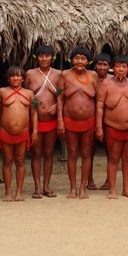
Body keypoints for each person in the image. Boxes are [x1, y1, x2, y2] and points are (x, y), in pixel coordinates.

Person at [95, 56, 128, 198]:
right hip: (113, 128)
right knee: (113, 159)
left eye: (124, 66)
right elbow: (100, 106)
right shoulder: (105, 84)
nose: (121, 69)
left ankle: (126, 189)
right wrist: (99, 127)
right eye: (118, 66)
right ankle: (112, 190)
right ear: (113, 68)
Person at [57, 46, 98, 199]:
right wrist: (60, 120)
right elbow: (60, 98)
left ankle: (83, 188)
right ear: (71, 59)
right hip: (69, 119)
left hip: (88, 120)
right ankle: (73, 188)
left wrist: (98, 123)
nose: (79, 61)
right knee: (72, 153)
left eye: (83, 58)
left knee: (86, 153)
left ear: (88, 61)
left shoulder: (93, 75)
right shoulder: (64, 75)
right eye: (76, 58)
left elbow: (98, 99)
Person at [25, 44, 62, 199]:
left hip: (51, 120)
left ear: (52, 58)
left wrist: (56, 105)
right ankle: (37, 187)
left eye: (47, 56)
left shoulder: (59, 74)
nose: (44, 59)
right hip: (36, 120)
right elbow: (26, 93)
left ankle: (46, 186)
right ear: (36, 58)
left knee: (48, 153)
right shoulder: (30, 74)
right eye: (41, 56)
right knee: (36, 153)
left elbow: (61, 94)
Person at [0, 66, 39, 202]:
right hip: (5, 131)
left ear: (23, 78)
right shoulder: (2, 92)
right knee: (7, 161)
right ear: (8, 78)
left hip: (23, 132)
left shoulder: (29, 93)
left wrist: (35, 131)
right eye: (13, 76)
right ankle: (8, 192)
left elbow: (34, 113)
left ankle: (19, 192)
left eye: (18, 76)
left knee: (20, 161)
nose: (16, 78)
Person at [91, 53, 112, 190]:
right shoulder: (89, 78)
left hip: (109, 119)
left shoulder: (114, 80)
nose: (102, 67)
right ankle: (89, 180)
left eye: (105, 64)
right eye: (99, 64)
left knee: (110, 151)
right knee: (89, 151)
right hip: (91, 118)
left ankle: (109, 180)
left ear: (109, 66)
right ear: (95, 66)